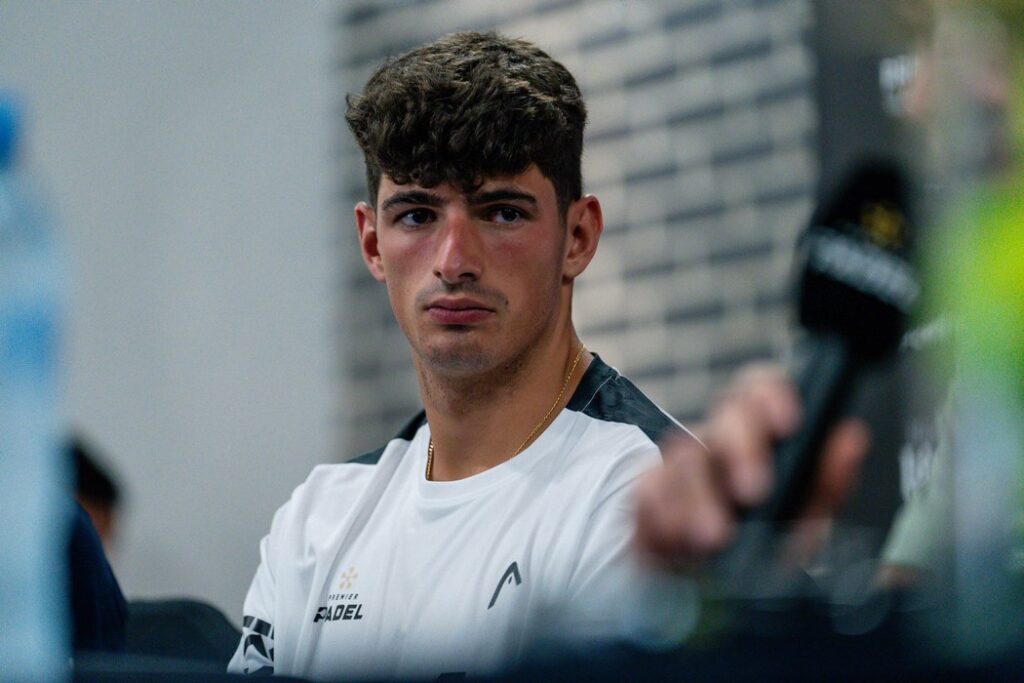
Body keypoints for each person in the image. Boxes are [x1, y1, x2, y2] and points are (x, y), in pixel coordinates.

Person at [229, 31, 860, 680]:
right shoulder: (315, 521)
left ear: (578, 236)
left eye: (502, 213)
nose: (454, 261)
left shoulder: (644, 504)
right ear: (371, 244)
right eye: (417, 215)